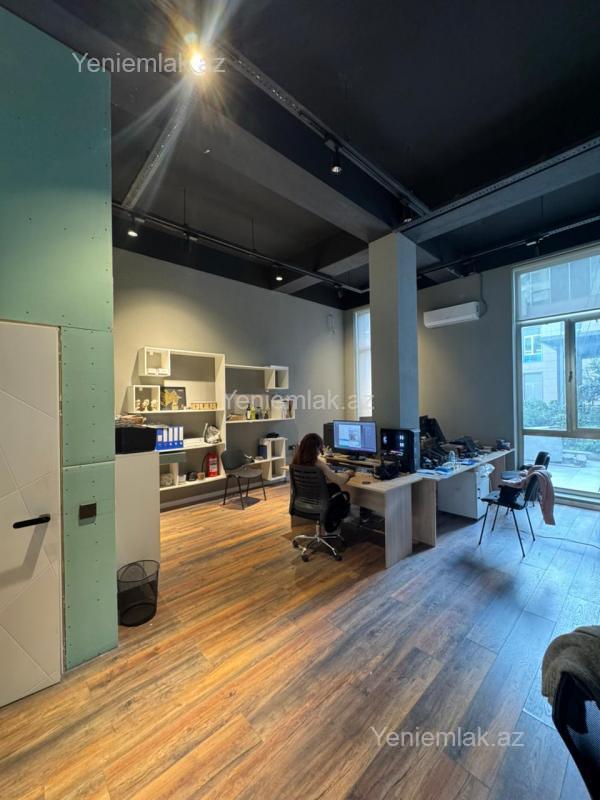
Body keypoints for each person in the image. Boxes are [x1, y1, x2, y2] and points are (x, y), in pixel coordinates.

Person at [292, 433, 354, 532]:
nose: (321, 450)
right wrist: (348, 473)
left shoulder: (296, 462)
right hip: (321, 502)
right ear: (316, 448)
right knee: (338, 490)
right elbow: (340, 480)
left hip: (305, 501)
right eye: (320, 448)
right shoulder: (318, 464)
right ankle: (332, 522)